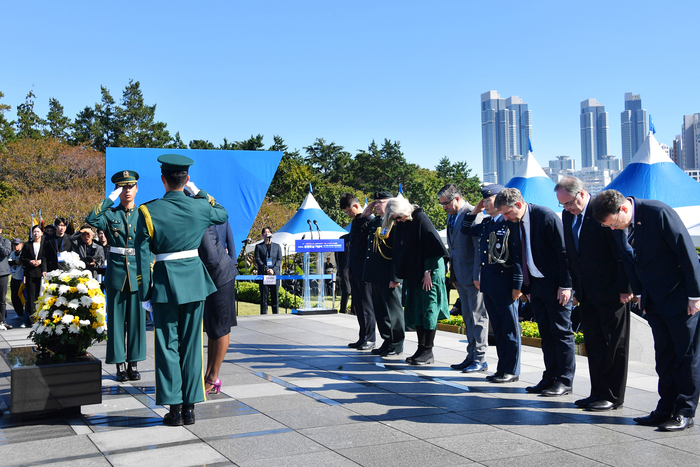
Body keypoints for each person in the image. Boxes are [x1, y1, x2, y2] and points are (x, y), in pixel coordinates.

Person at [591, 190, 700, 431]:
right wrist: (639, 294)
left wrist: (695, 295)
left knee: (686, 355)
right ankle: (665, 408)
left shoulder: (658, 213)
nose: (612, 229)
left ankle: (684, 411)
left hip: (680, 297)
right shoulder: (621, 226)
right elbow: (630, 262)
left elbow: (686, 252)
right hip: (653, 300)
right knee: (663, 357)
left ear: (624, 209)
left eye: (613, 223)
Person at [136, 153, 228, 427]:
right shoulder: (199, 207)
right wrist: (199, 192)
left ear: (163, 179)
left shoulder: (147, 211)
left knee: (167, 345)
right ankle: (190, 409)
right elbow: (221, 213)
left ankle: (174, 409)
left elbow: (142, 257)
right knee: (191, 346)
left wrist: (145, 293)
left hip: (164, 283)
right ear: (186, 179)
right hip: (194, 282)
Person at [555, 178, 632, 411]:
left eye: (569, 203)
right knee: (594, 343)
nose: (567, 209)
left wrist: (626, 287)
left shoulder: (601, 211)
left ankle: (612, 395)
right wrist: (575, 287)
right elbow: (572, 254)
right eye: (563, 206)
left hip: (613, 291)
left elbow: (622, 251)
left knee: (614, 345)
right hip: (587, 292)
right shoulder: (568, 216)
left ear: (581, 193)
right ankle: (597, 392)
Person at [495, 188, 576, 397]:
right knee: (546, 334)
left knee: (561, 333)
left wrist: (566, 285)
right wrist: (528, 289)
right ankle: (550, 377)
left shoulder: (545, 216)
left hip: (556, 286)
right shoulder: (515, 223)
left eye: (507, 213)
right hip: (536, 287)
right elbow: (520, 256)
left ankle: (564, 380)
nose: (505, 218)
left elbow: (563, 252)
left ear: (519, 205)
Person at [85, 170, 146, 382]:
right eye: (123, 187)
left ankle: (133, 364)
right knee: (117, 322)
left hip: (137, 274)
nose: (127, 191)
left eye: (130, 186)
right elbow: (91, 218)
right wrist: (110, 198)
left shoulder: (144, 214)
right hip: (117, 273)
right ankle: (119, 365)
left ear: (137, 188)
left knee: (137, 322)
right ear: (117, 190)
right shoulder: (110, 214)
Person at [461, 184, 523, 383]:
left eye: (489, 200)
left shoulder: (510, 223)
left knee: (510, 329)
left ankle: (511, 369)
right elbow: (466, 229)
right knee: (498, 328)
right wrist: (475, 210)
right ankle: (501, 368)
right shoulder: (487, 222)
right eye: (484, 200)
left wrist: (517, 285)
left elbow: (518, 255)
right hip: (489, 283)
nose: (486, 203)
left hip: (505, 284)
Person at [386, 197, 449, 365]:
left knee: (429, 309)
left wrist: (427, 271)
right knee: (416, 310)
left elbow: (433, 247)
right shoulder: (403, 223)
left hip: (430, 270)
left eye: (398, 217)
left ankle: (428, 350)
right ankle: (421, 348)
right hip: (415, 272)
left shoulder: (420, 218)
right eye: (395, 219)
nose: (398, 220)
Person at [437, 184, 489, 373]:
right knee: (468, 318)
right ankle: (471, 355)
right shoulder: (452, 216)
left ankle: (481, 359)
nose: (444, 207)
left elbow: (478, 249)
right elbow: (454, 249)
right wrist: (455, 276)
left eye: (446, 203)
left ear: (457, 198)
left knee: (478, 318)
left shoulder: (474, 213)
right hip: (460, 277)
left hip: (474, 278)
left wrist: (478, 275)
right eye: (442, 204)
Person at [361, 192, 404, 357]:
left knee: (393, 311)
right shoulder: (375, 221)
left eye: (380, 202)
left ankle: (397, 343)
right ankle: (387, 340)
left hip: (389, 275)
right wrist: (364, 216)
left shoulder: (395, 221)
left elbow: (398, 252)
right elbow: (359, 236)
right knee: (380, 311)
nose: (376, 205)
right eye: (376, 202)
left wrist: (396, 277)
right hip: (376, 274)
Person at [198, 225, 238, 396]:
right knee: (213, 330)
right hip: (210, 274)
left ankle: (212, 377)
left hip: (219, 273)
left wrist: (231, 263)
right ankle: (209, 375)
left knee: (221, 328)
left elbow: (227, 243)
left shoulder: (209, 210)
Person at [340, 192, 376, 350]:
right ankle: (363, 336)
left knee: (367, 305)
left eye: (349, 211)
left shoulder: (369, 220)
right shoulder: (357, 221)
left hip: (366, 270)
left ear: (356, 205)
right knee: (358, 306)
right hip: (355, 269)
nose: (348, 215)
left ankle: (370, 338)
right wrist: (349, 267)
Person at [20, 225, 47, 328]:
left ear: (41, 233)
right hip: (30, 273)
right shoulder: (27, 245)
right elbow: (22, 258)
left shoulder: (45, 245)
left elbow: (46, 257)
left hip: (41, 273)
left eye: (38, 231)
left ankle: (42, 317)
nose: (36, 234)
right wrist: (30, 261)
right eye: (34, 232)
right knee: (31, 297)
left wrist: (41, 262)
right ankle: (32, 319)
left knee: (41, 296)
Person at [254, 227, 282, 314]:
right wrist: (266, 269)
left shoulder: (277, 246)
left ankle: (275, 314)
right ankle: (263, 315)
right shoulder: (258, 246)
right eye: (265, 232)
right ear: (262, 235)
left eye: (269, 232)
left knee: (275, 297)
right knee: (264, 297)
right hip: (263, 275)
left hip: (274, 275)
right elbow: (258, 259)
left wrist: (273, 270)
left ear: (271, 234)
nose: (267, 234)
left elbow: (279, 259)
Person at [8, 238, 24, 324]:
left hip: (21, 277)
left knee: (22, 296)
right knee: (14, 297)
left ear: (21, 244)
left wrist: (16, 262)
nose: (15, 246)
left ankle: (24, 314)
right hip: (14, 277)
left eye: (17, 244)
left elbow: (21, 261)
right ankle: (19, 313)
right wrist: (16, 262)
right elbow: (10, 261)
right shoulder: (13, 253)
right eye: (14, 244)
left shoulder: (24, 252)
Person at [335, 233, 351, 314]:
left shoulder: (360, 238)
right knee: (346, 291)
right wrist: (340, 267)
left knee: (356, 292)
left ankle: (354, 311)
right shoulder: (343, 238)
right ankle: (342, 310)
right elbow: (337, 255)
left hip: (355, 269)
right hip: (344, 269)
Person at [0, 224, 11, 330]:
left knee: (2, 299)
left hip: (2, 273)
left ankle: (2, 320)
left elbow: (5, 252)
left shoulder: (5, 241)